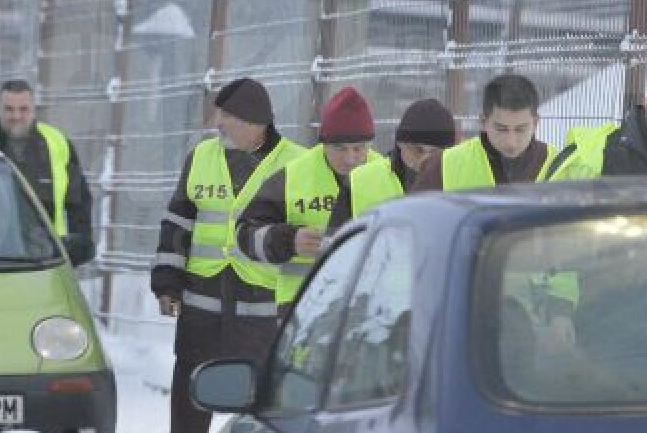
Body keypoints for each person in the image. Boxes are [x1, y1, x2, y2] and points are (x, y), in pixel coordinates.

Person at [151, 77, 305, 433]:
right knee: (190, 393)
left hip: (263, 308)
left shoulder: (296, 163)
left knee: (261, 398)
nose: (217, 124)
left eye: (226, 117)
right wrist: (167, 282)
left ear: (255, 123)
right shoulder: (202, 156)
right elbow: (177, 224)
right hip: (201, 302)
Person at [236, 86, 380, 312]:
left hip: (372, 311)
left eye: (358, 149)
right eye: (340, 149)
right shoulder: (291, 177)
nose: (350, 159)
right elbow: (244, 234)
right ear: (324, 144)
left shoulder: (388, 175)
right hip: (303, 310)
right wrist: (289, 241)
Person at [0, 79, 94, 266]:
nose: (16, 116)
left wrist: (79, 245)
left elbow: (78, 201)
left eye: (23, 109)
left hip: (46, 259)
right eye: (9, 109)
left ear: (33, 110)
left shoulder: (57, 142)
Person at [327, 97, 455, 231]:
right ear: (399, 143)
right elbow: (335, 238)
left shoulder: (460, 182)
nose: (425, 159)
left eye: (436, 153)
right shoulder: (359, 181)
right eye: (417, 150)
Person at [414, 73, 555, 191]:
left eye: (520, 129)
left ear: (535, 123)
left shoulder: (558, 166)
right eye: (501, 129)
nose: (511, 142)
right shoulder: (443, 166)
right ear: (483, 121)